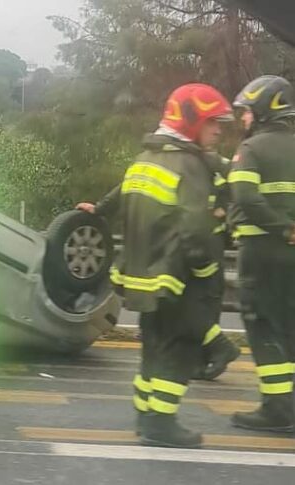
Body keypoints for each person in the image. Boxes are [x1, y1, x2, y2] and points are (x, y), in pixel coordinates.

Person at [109, 83, 233, 448]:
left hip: (144, 276)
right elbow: (195, 229)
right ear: (192, 121)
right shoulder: (188, 164)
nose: (219, 131)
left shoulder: (145, 159)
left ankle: (145, 415)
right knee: (179, 349)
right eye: (213, 123)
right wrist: (208, 269)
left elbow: (122, 204)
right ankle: (162, 422)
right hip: (176, 276)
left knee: (153, 347)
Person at [78, 164, 240, 382]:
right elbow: (132, 185)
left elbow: (229, 193)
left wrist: (220, 213)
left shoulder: (198, 160)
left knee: (181, 303)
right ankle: (214, 349)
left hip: (199, 244)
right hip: (182, 243)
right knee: (179, 303)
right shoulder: (174, 158)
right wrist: (100, 209)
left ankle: (213, 350)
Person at [227, 75, 295, 434]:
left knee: (263, 326)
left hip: (261, 254)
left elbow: (245, 199)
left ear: (266, 110)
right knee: (289, 328)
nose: (243, 120)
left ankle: (277, 410)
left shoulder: (251, 150)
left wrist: (282, 227)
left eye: (247, 112)